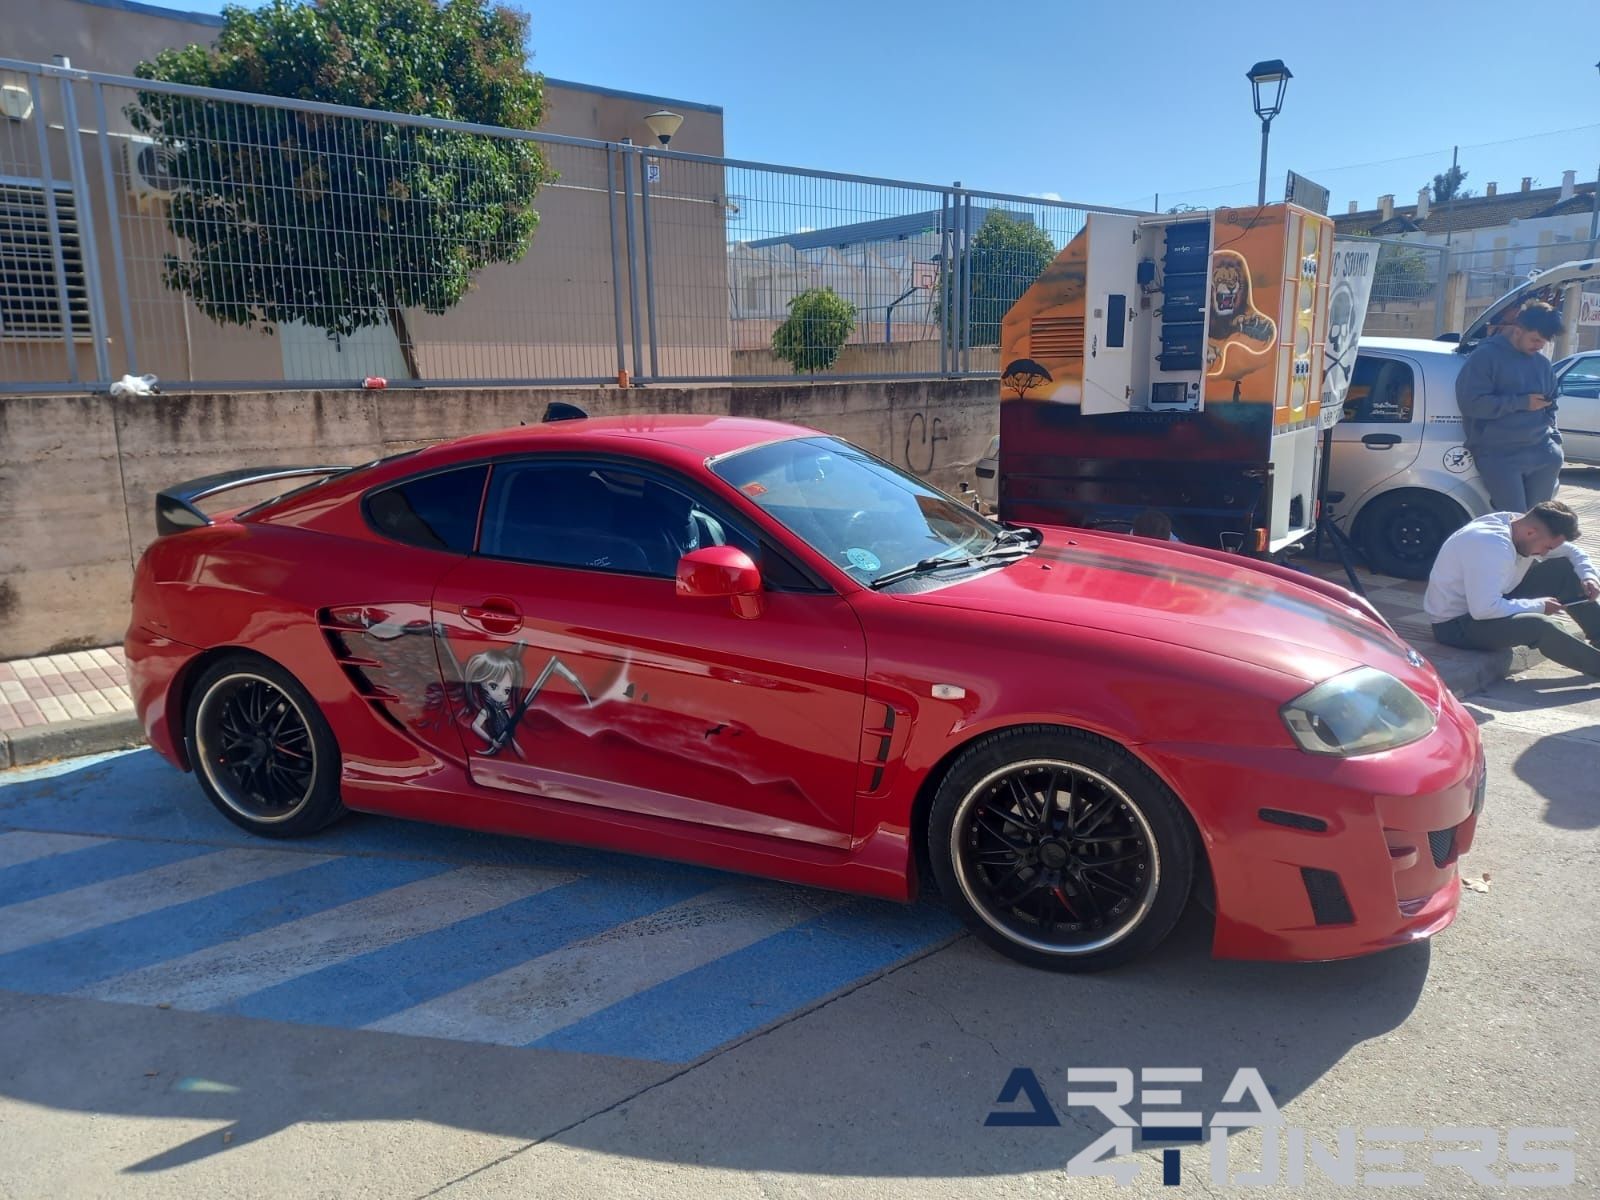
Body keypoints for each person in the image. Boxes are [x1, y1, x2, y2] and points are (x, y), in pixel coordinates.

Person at [1425, 500, 1600, 678]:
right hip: (1457, 625)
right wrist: (1539, 606)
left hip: (1492, 600)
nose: (1545, 554)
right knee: (1540, 626)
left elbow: (1573, 552)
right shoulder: (1490, 545)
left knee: (1564, 568)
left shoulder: (1519, 526)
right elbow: (1484, 610)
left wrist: (1589, 576)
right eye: (1547, 547)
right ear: (1531, 532)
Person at [1455, 301, 1565, 512]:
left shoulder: (1542, 364)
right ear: (1517, 330)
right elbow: (1471, 404)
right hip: (1500, 456)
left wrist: (1556, 445)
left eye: (1542, 343)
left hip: (1544, 455)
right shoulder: (1485, 357)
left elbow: (1552, 406)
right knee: (1515, 524)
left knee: (1539, 525)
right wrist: (1522, 402)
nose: (1538, 347)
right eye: (1534, 340)